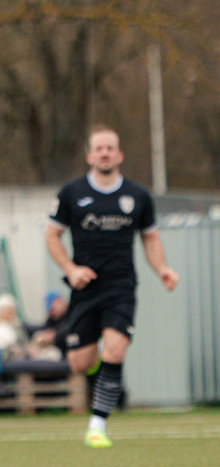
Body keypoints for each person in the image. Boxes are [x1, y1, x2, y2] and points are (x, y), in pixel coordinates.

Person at [46, 125, 177, 448]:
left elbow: (150, 238)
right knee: (81, 362)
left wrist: (162, 269)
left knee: (116, 350)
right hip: (84, 288)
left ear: (119, 154)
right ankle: (100, 359)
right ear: (90, 155)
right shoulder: (71, 193)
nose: (105, 153)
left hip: (121, 286)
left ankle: (97, 424)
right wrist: (70, 268)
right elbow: (52, 236)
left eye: (110, 148)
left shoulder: (138, 196)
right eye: (99, 148)